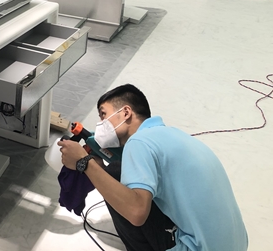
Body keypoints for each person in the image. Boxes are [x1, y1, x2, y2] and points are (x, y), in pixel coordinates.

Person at [58, 84, 248, 251]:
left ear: (126, 112)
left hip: (196, 248)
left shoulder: (139, 142)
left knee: (114, 176)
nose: (101, 124)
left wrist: (85, 162)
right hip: (236, 244)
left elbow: (136, 212)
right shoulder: (170, 134)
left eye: (103, 115)